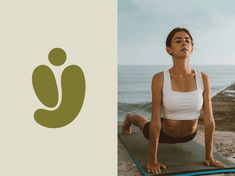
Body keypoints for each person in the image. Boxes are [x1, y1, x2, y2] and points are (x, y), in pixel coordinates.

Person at [122, 27, 225, 174]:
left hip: (190, 135)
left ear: (192, 48)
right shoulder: (159, 78)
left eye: (187, 40)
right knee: (143, 124)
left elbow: (209, 120)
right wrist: (152, 159)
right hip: (165, 132)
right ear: (169, 49)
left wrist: (209, 156)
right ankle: (129, 118)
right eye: (178, 40)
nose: (184, 42)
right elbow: (156, 121)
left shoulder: (203, 78)